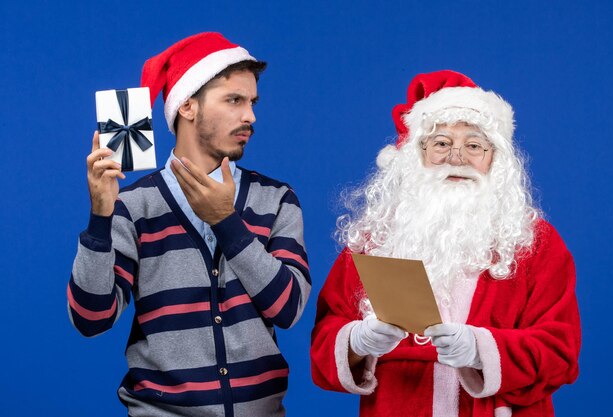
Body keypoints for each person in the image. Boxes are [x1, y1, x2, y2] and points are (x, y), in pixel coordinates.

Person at [310, 70, 580, 417]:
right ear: (416, 154)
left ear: (494, 159)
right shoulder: (375, 238)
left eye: (473, 145)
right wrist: (358, 341)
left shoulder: (534, 241)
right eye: (441, 143)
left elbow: (561, 351)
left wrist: (481, 350)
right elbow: (323, 342)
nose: (456, 158)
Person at [67, 32, 311, 417]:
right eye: (234, 100)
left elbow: (288, 307)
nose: (250, 116)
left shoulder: (276, 199)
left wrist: (227, 222)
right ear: (187, 107)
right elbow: (91, 319)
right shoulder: (135, 206)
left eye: (252, 102)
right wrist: (100, 217)